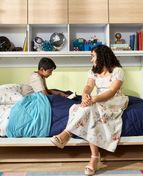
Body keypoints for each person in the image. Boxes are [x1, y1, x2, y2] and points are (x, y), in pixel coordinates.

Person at [50, 45, 129, 175]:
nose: (91, 59)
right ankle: (94, 159)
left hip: (114, 100)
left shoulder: (117, 71)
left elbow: (112, 91)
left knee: (91, 107)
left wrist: (93, 99)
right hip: (98, 99)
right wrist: (86, 95)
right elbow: (88, 85)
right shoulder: (93, 71)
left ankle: (67, 134)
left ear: (102, 56)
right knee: (86, 109)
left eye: (92, 56)